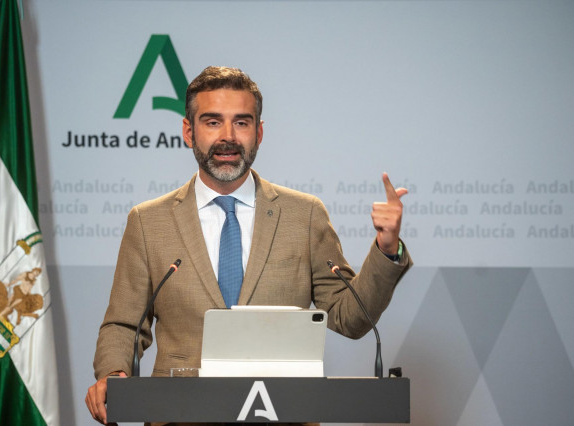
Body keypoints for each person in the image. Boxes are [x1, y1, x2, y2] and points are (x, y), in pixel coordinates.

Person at [85, 66, 412, 425]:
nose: (228, 137)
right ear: (188, 131)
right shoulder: (149, 222)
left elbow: (350, 318)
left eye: (241, 123)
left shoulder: (304, 215)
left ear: (258, 132)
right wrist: (114, 374)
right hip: (179, 415)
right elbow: (123, 325)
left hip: (284, 414)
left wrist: (386, 247)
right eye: (212, 122)